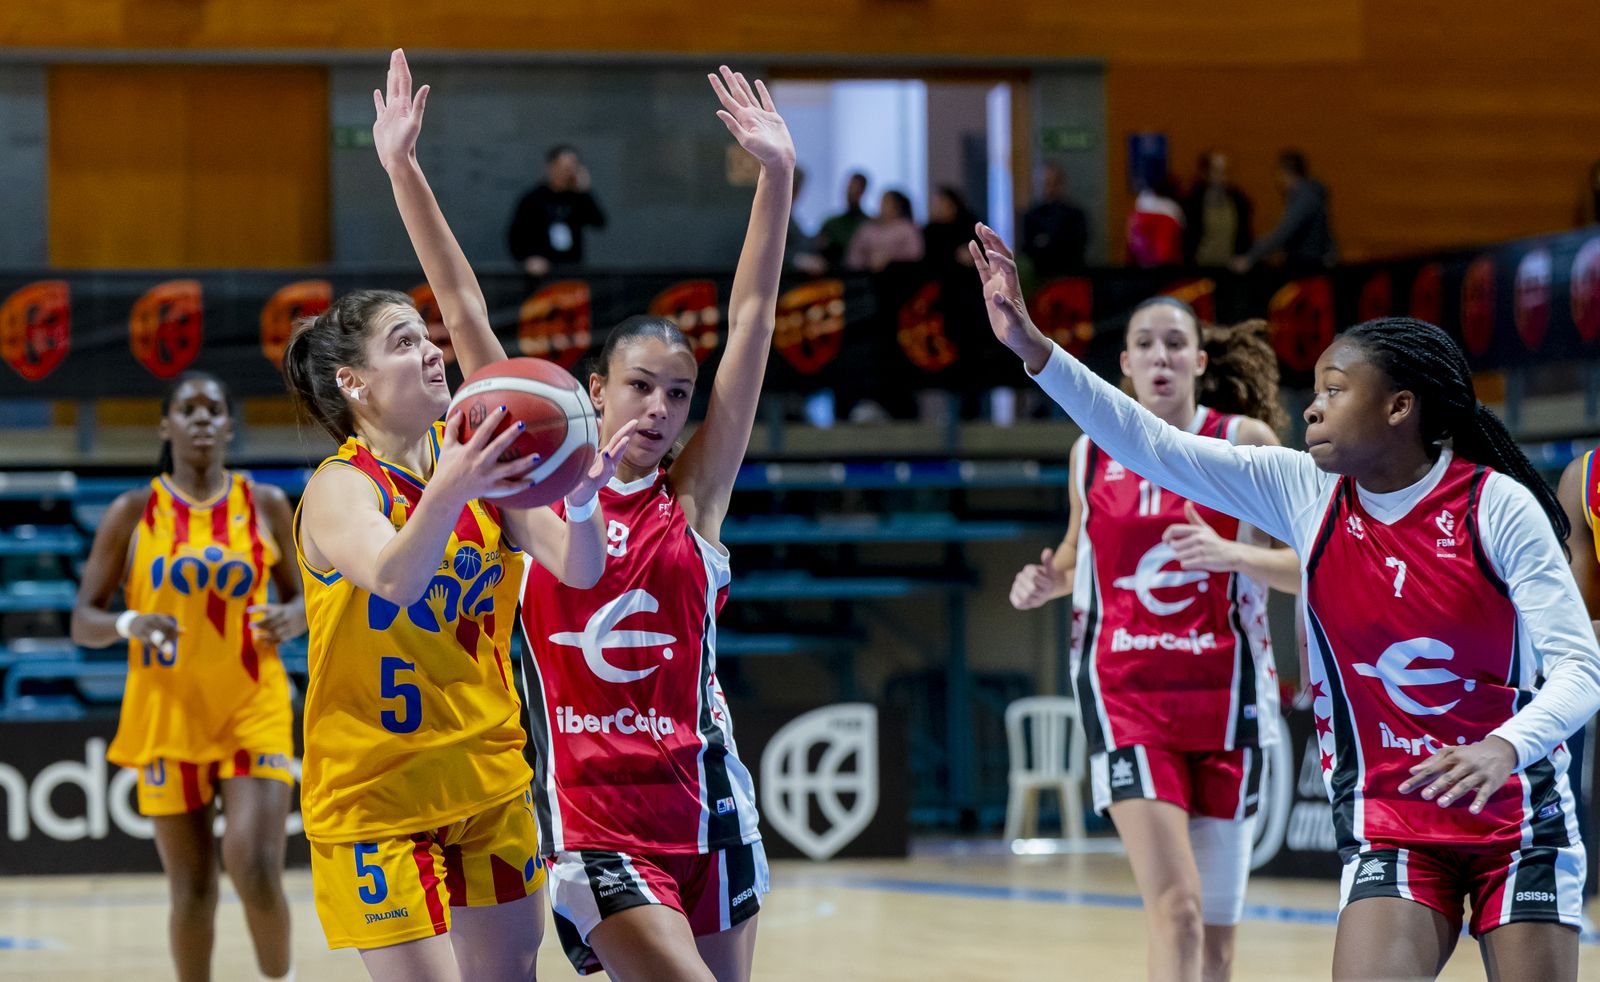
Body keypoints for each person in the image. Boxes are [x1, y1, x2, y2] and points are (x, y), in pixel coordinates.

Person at [975, 222, 1600, 982]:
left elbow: (1579, 668)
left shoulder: (1495, 506)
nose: (1311, 407)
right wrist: (1032, 349)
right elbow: (1150, 444)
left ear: (1400, 407)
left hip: (1516, 815)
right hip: (1391, 820)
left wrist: (1504, 746)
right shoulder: (1305, 491)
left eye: (1335, 391)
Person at [279, 49, 633, 981]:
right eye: (408, 343)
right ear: (353, 382)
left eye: (429, 339)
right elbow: (398, 572)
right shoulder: (338, 489)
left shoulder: (477, 463)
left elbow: (582, 568)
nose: (436, 352)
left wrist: (586, 500)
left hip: (488, 777)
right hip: (375, 798)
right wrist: (460, 484)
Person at [517, 66, 793, 982]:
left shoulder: (694, 497)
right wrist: (401, 169)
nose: (662, 406)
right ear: (594, 391)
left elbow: (751, 322)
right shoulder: (532, 496)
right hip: (593, 822)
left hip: (710, 807)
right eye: (640, 385)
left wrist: (777, 180)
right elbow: (473, 322)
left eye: (679, 393)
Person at [1009, 300, 1297, 982]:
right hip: (1128, 699)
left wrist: (1234, 557)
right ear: (1125, 365)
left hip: (1230, 703)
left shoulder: (1246, 442)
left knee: (1220, 942)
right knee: (1179, 909)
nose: (1160, 356)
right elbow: (1078, 558)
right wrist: (1047, 582)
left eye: (1175, 344)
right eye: (1145, 343)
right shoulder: (1090, 451)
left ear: (1199, 362)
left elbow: (1317, 565)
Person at [72, 371, 303, 982]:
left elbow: (312, 598)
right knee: (193, 889)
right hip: (167, 711)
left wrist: (294, 614)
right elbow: (82, 620)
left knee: (252, 865)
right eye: (189, 409)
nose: (202, 418)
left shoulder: (266, 504)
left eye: (214, 409)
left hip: (253, 704)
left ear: (229, 426)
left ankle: (282, 977)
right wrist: (128, 623)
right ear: (165, 425)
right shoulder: (132, 512)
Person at [507, 143, 607, 277]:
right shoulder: (533, 199)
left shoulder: (578, 197)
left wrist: (585, 191)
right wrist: (526, 260)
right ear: (551, 167)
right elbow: (515, 235)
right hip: (542, 273)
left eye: (573, 167)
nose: (569, 172)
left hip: (572, 269)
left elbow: (599, 222)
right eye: (564, 167)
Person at [1231, 149, 1337, 272]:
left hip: (1306, 265)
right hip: (1311, 261)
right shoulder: (1310, 195)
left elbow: (1283, 232)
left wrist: (1250, 257)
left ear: (1285, 173)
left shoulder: (1304, 198)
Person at [1183, 150, 1253, 267]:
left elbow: (1244, 235)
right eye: (1217, 172)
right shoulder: (1193, 204)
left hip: (1229, 269)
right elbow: (1188, 238)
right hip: (1200, 269)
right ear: (1205, 174)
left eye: (1226, 172)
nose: (1223, 178)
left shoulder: (1239, 203)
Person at [1020, 162, 1089, 276]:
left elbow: (1076, 246)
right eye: (1046, 183)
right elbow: (1027, 248)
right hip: (1041, 277)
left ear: (1061, 184)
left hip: (1070, 275)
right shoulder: (1031, 216)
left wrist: (1046, 242)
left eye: (1054, 183)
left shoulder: (1075, 215)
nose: (1050, 188)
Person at [845, 189, 923, 272]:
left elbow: (915, 255)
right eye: (881, 202)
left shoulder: (907, 229)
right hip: (866, 276)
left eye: (886, 202)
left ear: (897, 207)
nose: (881, 205)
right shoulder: (868, 229)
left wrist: (891, 259)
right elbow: (854, 256)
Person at [816, 170, 870, 271]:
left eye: (856, 188)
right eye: (850, 187)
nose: (851, 192)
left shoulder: (869, 225)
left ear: (863, 191)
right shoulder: (831, 223)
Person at [1127, 177, 1185, 268]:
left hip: (1140, 266)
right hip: (1165, 267)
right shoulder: (1172, 213)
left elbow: (1131, 244)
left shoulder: (1137, 215)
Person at [922, 185, 982, 273]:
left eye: (942, 204)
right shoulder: (931, 229)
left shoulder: (970, 224)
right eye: (936, 205)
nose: (938, 209)